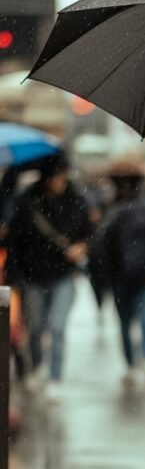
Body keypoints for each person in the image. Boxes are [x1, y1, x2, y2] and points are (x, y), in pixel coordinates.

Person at [7, 153, 92, 402]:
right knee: (35, 327)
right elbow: (16, 239)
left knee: (57, 326)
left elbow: (90, 232)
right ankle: (37, 367)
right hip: (33, 275)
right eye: (57, 175)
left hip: (63, 275)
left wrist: (81, 247)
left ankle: (55, 377)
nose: (62, 180)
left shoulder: (76, 200)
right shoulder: (28, 201)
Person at [103, 165, 145, 384]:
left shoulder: (113, 214)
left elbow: (103, 249)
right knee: (144, 320)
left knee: (125, 323)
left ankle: (131, 364)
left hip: (123, 278)